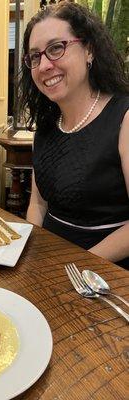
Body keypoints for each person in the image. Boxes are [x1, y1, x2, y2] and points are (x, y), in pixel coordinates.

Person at [19, 1, 129, 268]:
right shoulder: (46, 126)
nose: (44, 65)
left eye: (56, 48)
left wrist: (76, 265)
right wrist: (28, 256)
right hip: (49, 260)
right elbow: (39, 203)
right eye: (35, 56)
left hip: (105, 272)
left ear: (89, 50)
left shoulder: (124, 117)